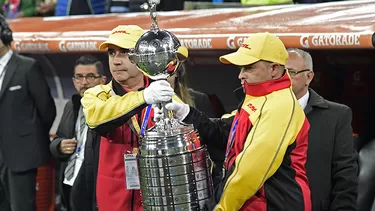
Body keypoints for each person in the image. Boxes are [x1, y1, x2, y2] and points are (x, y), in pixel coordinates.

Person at [162, 32, 311, 211]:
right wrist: (188, 113)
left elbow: (249, 171)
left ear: (274, 69)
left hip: (274, 204)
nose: (241, 75)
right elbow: (224, 131)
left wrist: (222, 207)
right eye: (241, 68)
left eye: (248, 67)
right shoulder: (257, 99)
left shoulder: (280, 106)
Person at [81, 25, 186, 211]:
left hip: (155, 196)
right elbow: (96, 120)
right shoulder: (97, 94)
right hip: (112, 199)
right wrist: (143, 97)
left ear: (143, 57)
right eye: (112, 53)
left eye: (125, 53)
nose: (116, 61)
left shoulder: (164, 96)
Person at [286, 48, 358, 211]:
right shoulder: (261, 112)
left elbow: (345, 174)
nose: (284, 77)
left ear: (309, 77)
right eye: (280, 72)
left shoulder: (337, 116)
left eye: (291, 71)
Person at [0, 15, 56, 211]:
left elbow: (47, 110)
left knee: (22, 207)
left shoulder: (27, 67)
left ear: (3, 35)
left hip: (21, 155)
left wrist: (28, 140)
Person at [50, 55, 106, 211]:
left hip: (93, 186)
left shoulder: (110, 108)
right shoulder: (72, 105)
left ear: (102, 80)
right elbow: (58, 138)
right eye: (79, 77)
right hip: (68, 181)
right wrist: (59, 146)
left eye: (90, 77)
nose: (84, 82)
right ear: (74, 81)